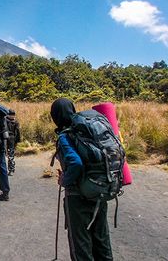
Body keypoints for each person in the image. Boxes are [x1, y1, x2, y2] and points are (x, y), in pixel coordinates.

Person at [50, 98, 113, 261]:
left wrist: (64, 179)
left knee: (81, 245)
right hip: (99, 191)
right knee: (101, 240)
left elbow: (76, 163)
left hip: (78, 198)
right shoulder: (86, 131)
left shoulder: (65, 136)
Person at [5, 109, 20, 176]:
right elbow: (18, 132)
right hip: (12, 139)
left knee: (3, 154)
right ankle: (11, 169)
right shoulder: (16, 122)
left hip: (5, 139)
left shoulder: (4, 120)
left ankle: (0, 169)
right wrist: (17, 141)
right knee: (11, 155)